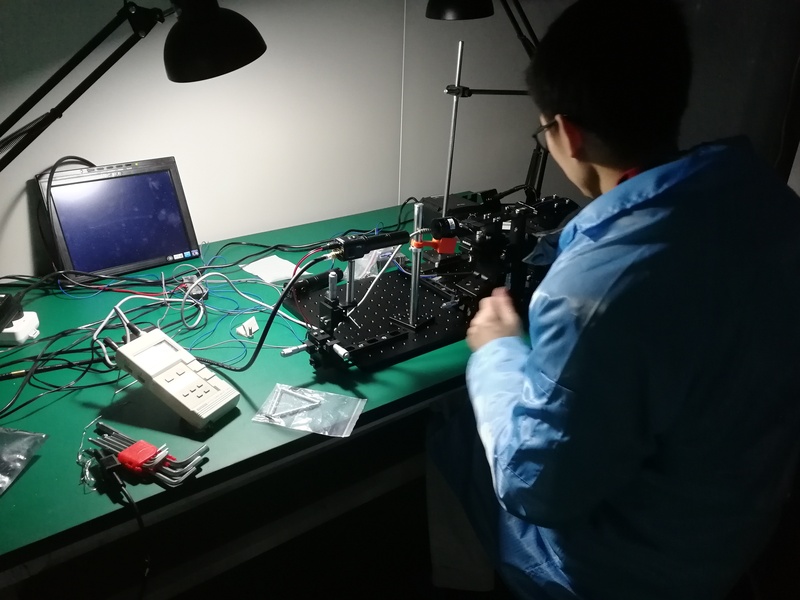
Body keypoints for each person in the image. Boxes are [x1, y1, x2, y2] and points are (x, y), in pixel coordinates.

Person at [426, 0, 800, 598]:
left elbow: (532, 486)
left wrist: (497, 349)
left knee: (450, 425)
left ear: (568, 134)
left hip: (623, 573)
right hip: (735, 534)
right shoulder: (769, 201)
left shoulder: (595, 292)